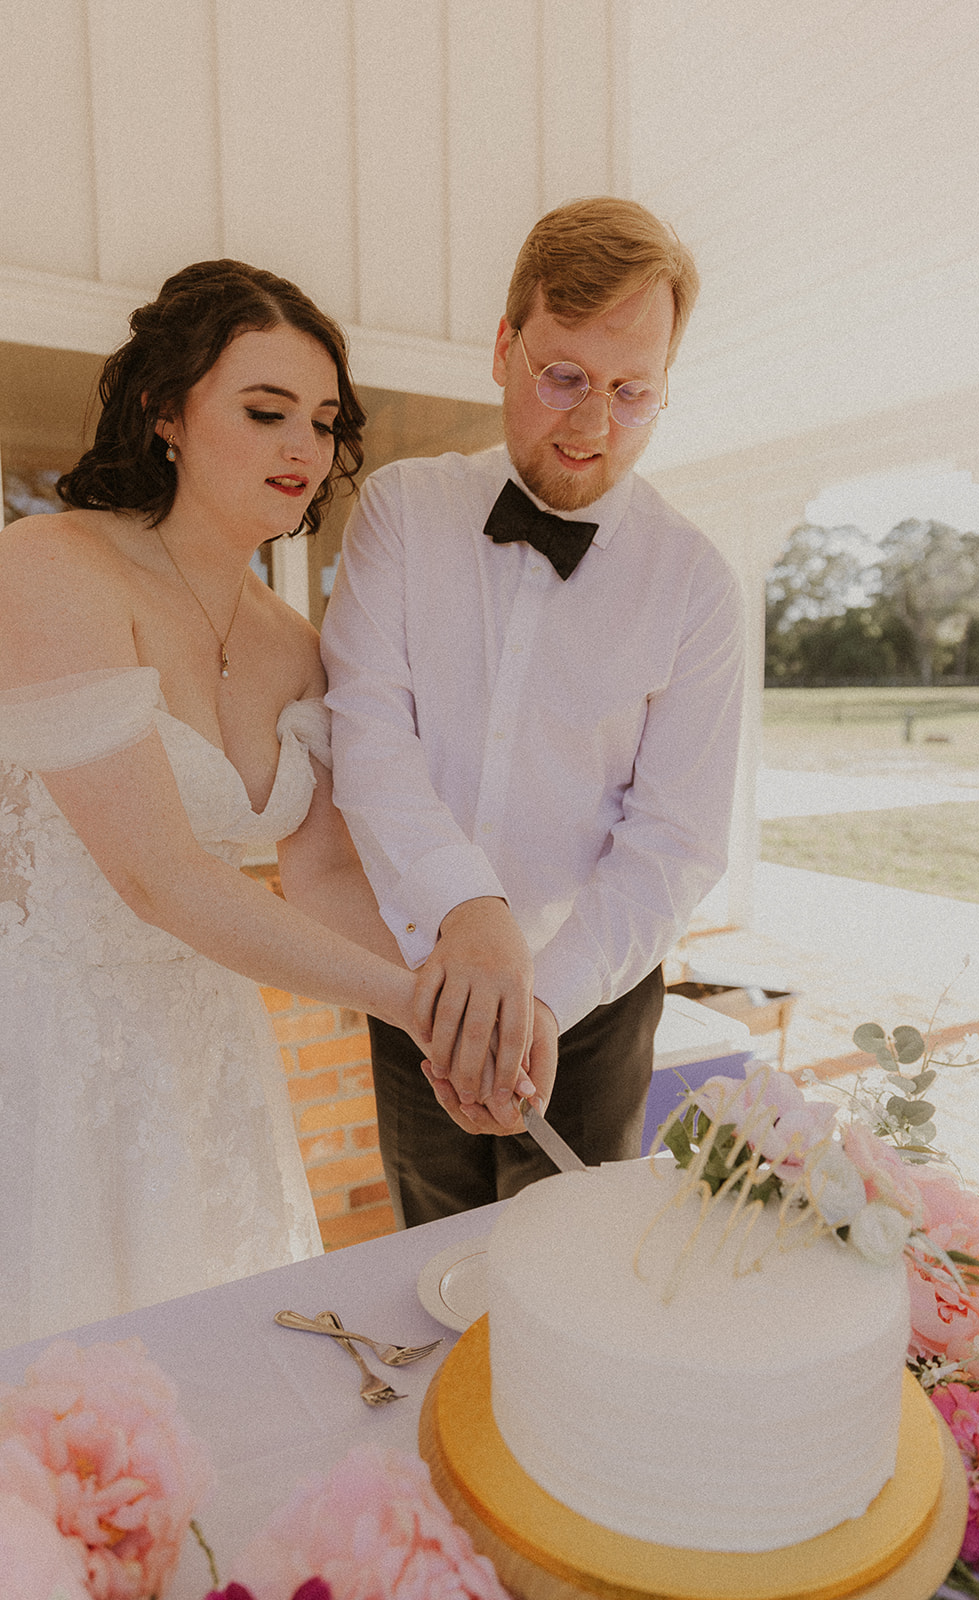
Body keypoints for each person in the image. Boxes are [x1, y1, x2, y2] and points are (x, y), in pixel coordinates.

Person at [0, 260, 468, 1349]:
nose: (302, 449)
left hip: (211, 1063)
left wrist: (449, 997)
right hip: (50, 1055)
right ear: (166, 410)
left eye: (320, 421)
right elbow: (158, 876)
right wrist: (408, 1004)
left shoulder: (295, 646)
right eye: (265, 413)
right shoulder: (47, 568)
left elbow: (325, 874)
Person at [321, 197, 745, 1227]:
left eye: (631, 393)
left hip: (591, 994)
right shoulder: (398, 512)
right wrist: (468, 920)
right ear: (503, 348)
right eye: (563, 378)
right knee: (429, 1242)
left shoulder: (694, 583)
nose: (593, 427)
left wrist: (543, 991)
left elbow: (675, 840)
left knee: (568, 1257)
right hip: (421, 974)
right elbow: (368, 740)